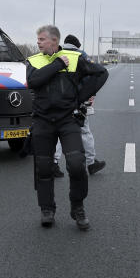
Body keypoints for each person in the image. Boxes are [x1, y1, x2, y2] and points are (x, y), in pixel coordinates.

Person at [26, 25, 108, 230]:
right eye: (38, 39)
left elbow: (101, 73)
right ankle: (47, 210)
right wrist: (57, 64)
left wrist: (79, 97)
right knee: (44, 168)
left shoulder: (74, 57)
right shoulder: (33, 61)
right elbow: (33, 81)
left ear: (54, 40)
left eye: (42, 39)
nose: (38, 43)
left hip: (67, 119)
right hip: (43, 120)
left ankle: (77, 207)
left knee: (76, 163)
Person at [53, 35, 106, 177]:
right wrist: (89, 95)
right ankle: (91, 163)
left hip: (56, 101)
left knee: (57, 133)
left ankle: (53, 163)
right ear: (77, 46)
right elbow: (92, 77)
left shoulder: (55, 54)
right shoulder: (81, 56)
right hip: (76, 101)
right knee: (84, 132)